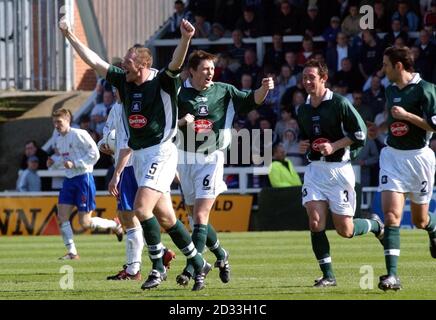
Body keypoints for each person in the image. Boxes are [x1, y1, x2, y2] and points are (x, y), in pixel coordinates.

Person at [59, 14, 211, 291]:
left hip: (162, 152)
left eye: (128, 62)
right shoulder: (125, 82)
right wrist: (70, 37)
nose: (122, 66)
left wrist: (186, 37)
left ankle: (156, 268)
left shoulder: (162, 81)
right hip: (140, 155)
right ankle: (198, 262)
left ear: (142, 65)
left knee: (141, 208)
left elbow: (176, 62)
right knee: (166, 218)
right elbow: (95, 62)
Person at [175, 49, 274, 286]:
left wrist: (265, 88)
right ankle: (221, 255)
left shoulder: (225, 91)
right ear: (192, 71)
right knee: (194, 220)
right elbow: (166, 121)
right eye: (205, 69)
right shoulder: (178, 92)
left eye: (212, 69)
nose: (210, 73)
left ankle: (194, 269)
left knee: (200, 216)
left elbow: (254, 99)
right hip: (184, 158)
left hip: (211, 158)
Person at [297, 59, 384, 287]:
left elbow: (360, 133)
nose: (306, 82)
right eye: (304, 78)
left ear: (323, 79)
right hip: (315, 171)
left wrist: (334, 146)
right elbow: (307, 136)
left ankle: (375, 225)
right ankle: (329, 276)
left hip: (339, 171)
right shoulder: (303, 109)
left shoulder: (339, 103)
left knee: (345, 230)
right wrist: (304, 145)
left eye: (311, 78)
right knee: (315, 223)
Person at [377, 46, 436, 291]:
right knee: (392, 217)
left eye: (386, 65)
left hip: (419, 159)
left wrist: (408, 116)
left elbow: (433, 127)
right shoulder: (390, 90)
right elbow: (392, 120)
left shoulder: (427, 89)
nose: (384, 69)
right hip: (392, 157)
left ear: (399, 66)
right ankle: (392, 275)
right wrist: (378, 129)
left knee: (421, 220)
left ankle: (433, 229)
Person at [101, 98, 176, 281]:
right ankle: (161, 253)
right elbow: (109, 134)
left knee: (132, 215)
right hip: (126, 163)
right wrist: (105, 145)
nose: (117, 89)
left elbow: (128, 142)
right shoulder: (115, 108)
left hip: (134, 164)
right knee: (129, 215)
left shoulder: (136, 104)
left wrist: (116, 173)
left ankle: (134, 269)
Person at [48, 108, 123, 260]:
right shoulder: (59, 140)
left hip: (84, 179)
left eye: (59, 122)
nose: (56, 125)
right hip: (69, 180)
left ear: (68, 121)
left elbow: (95, 154)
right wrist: (53, 163)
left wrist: (75, 163)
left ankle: (114, 225)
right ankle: (72, 252)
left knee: (85, 222)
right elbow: (65, 161)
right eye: (54, 122)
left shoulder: (79, 134)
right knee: (62, 217)